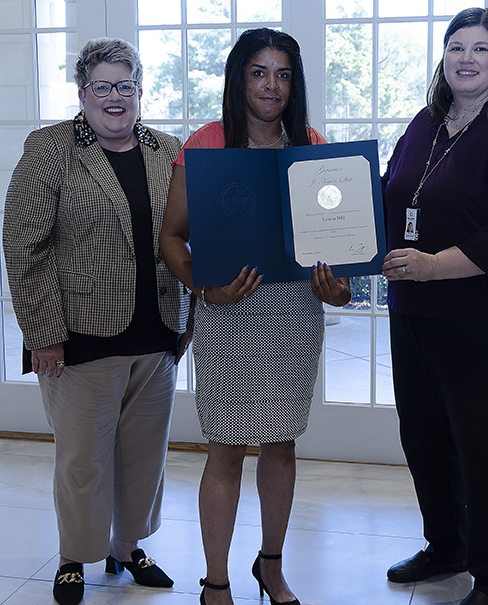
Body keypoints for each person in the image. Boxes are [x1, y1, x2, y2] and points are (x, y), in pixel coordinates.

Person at [159, 28, 351, 605]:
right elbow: (171, 236)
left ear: (296, 84)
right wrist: (203, 288)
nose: (272, 85)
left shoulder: (314, 146)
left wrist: (338, 288)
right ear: (238, 77)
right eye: (260, 72)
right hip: (229, 311)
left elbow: (340, 260)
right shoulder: (207, 143)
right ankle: (215, 582)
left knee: (282, 444)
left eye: (284, 74)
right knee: (225, 449)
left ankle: (270, 566)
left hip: (294, 311)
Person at [2, 37, 194, 605]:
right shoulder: (50, 148)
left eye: (126, 85)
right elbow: (24, 245)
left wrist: (189, 314)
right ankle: (71, 557)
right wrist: (42, 337)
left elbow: (187, 236)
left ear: (140, 90)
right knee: (83, 460)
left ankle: (126, 545)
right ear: (83, 93)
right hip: (78, 337)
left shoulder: (168, 149)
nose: (115, 97)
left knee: (143, 456)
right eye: (102, 87)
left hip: (157, 331)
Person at [381, 8, 488, 605]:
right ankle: (446, 546)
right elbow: (386, 200)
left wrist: (433, 265)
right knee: (425, 438)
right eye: (456, 46)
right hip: (415, 313)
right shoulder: (425, 124)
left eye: (481, 48)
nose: (466, 57)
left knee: (487, 450)